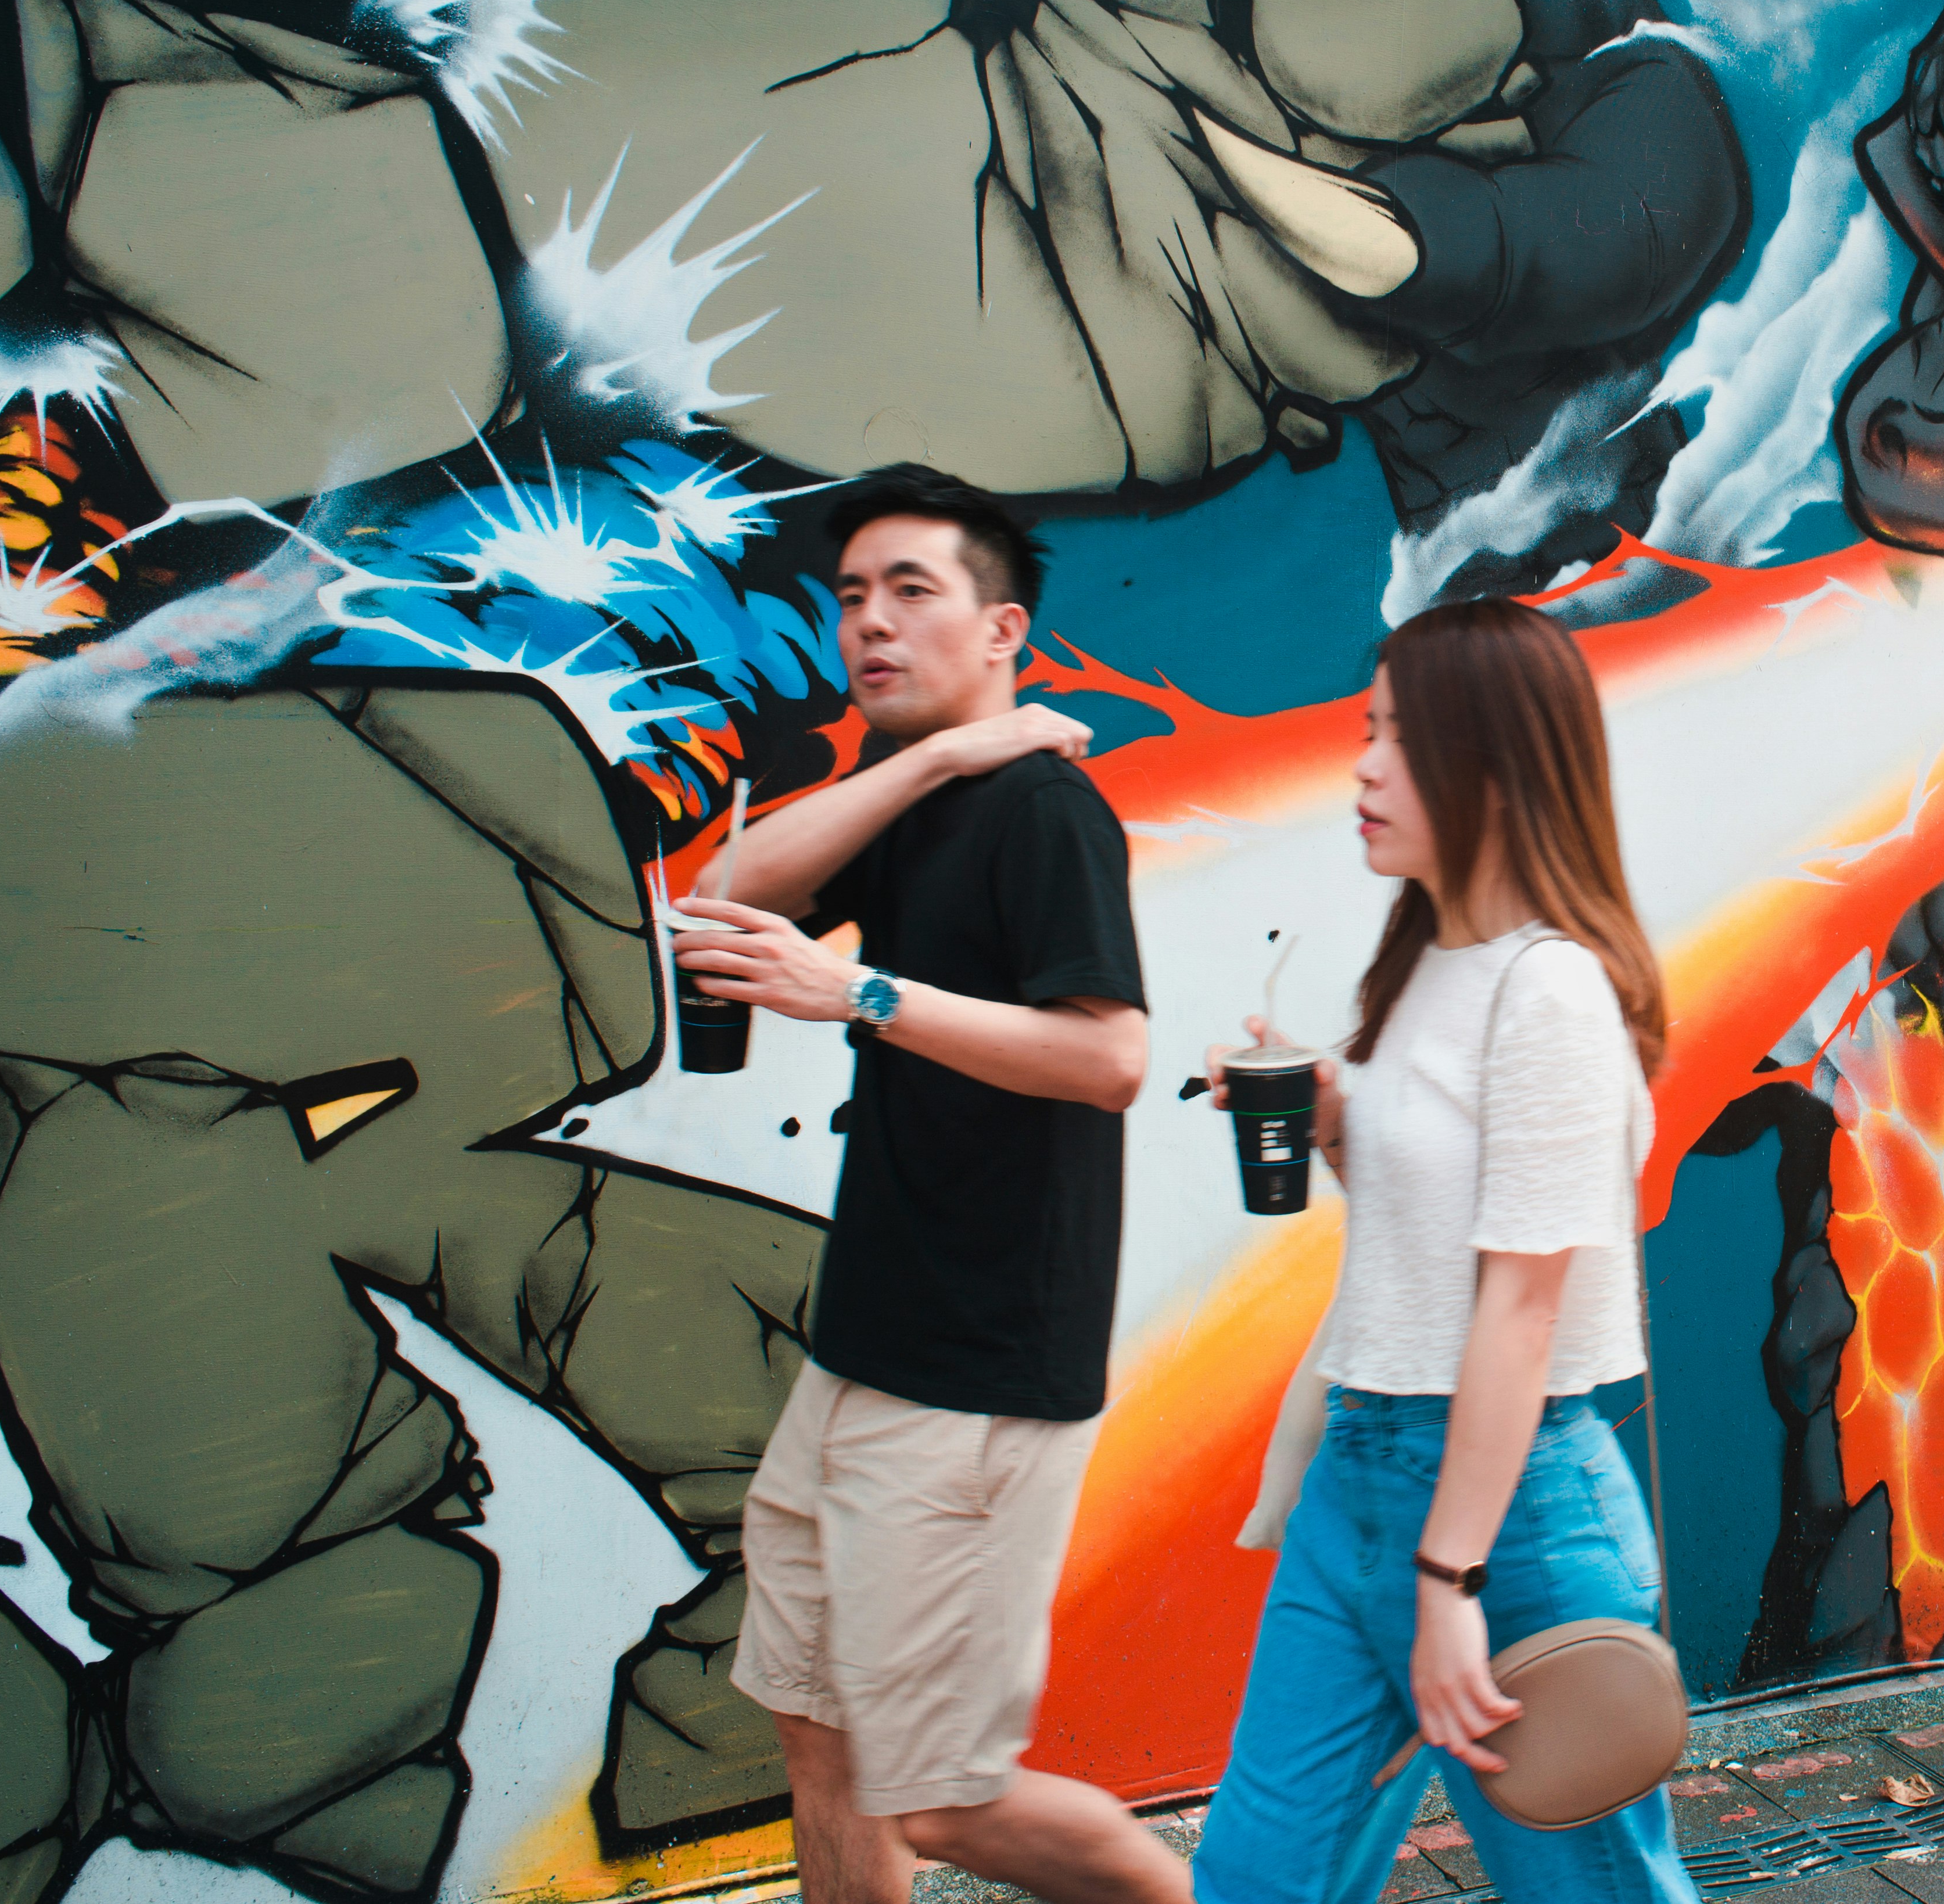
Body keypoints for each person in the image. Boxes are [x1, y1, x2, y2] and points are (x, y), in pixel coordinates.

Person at [672, 462, 1186, 1904]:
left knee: (947, 1798)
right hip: (869, 1347)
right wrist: (925, 759)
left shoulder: (1043, 814)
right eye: (851, 598)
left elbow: (1109, 1058)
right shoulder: (928, 794)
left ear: (1002, 626)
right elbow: (727, 896)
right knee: (818, 1728)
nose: (870, 624)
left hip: (977, 1373)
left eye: (913, 592)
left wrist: (861, 995)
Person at [1193, 598, 1694, 1904]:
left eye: (1396, 738)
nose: (1359, 765)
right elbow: (1420, 1236)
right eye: (1364, 731)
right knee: (1258, 1874)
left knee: (1590, 1890)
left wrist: (1448, 1575)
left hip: (1510, 1507)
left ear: (1496, 762)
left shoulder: (1552, 993)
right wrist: (1333, 1119)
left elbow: (1520, 1311)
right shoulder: (1424, 957)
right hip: (1363, 1475)